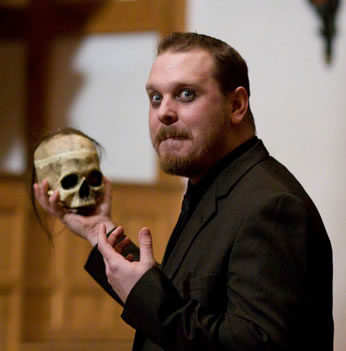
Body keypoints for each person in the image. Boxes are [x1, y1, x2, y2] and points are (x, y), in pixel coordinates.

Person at [34, 32, 334, 351]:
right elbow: (188, 305)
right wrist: (100, 233)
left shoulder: (271, 206)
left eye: (186, 94)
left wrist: (143, 294)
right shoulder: (216, 188)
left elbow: (254, 346)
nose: (164, 112)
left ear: (236, 105)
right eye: (155, 98)